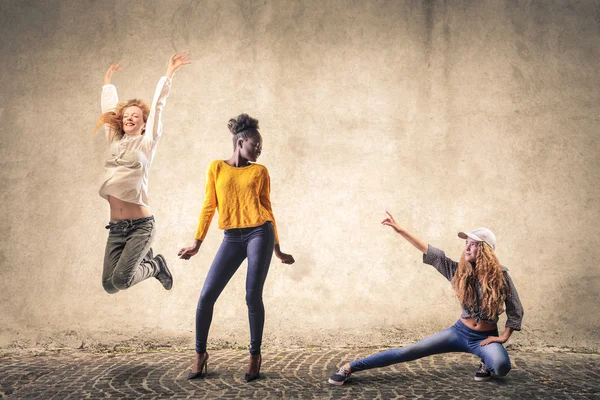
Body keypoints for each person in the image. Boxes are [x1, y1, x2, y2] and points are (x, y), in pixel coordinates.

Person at [328, 211, 524, 385]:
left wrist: (504, 336)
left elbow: (515, 308)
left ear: (486, 251)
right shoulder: (458, 271)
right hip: (459, 332)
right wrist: (401, 230)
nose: (467, 248)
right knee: (409, 351)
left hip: (484, 338)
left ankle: (486, 364)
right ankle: (349, 367)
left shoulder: (501, 276)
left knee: (501, 367)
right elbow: (432, 253)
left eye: (473, 245)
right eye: (466, 243)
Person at [178, 114, 295, 381]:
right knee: (206, 296)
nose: (259, 150)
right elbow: (209, 206)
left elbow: (268, 209)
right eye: (256, 145)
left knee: (252, 296)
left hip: (259, 233)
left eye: (261, 147)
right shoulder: (216, 168)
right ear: (241, 142)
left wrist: (277, 248)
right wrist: (197, 242)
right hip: (231, 237)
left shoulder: (260, 171)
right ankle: (200, 355)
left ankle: (254, 356)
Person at [94, 53, 191, 294]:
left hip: (140, 226)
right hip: (116, 227)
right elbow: (109, 112)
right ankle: (150, 260)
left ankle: (156, 264)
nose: (129, 118)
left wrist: (168, 74)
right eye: (126, 116)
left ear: (144, 123)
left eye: (135, 116)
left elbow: (158, 106)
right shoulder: (114, 142)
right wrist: (108, 83)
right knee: (109, 285)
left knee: (122, 281)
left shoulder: (147, 143)